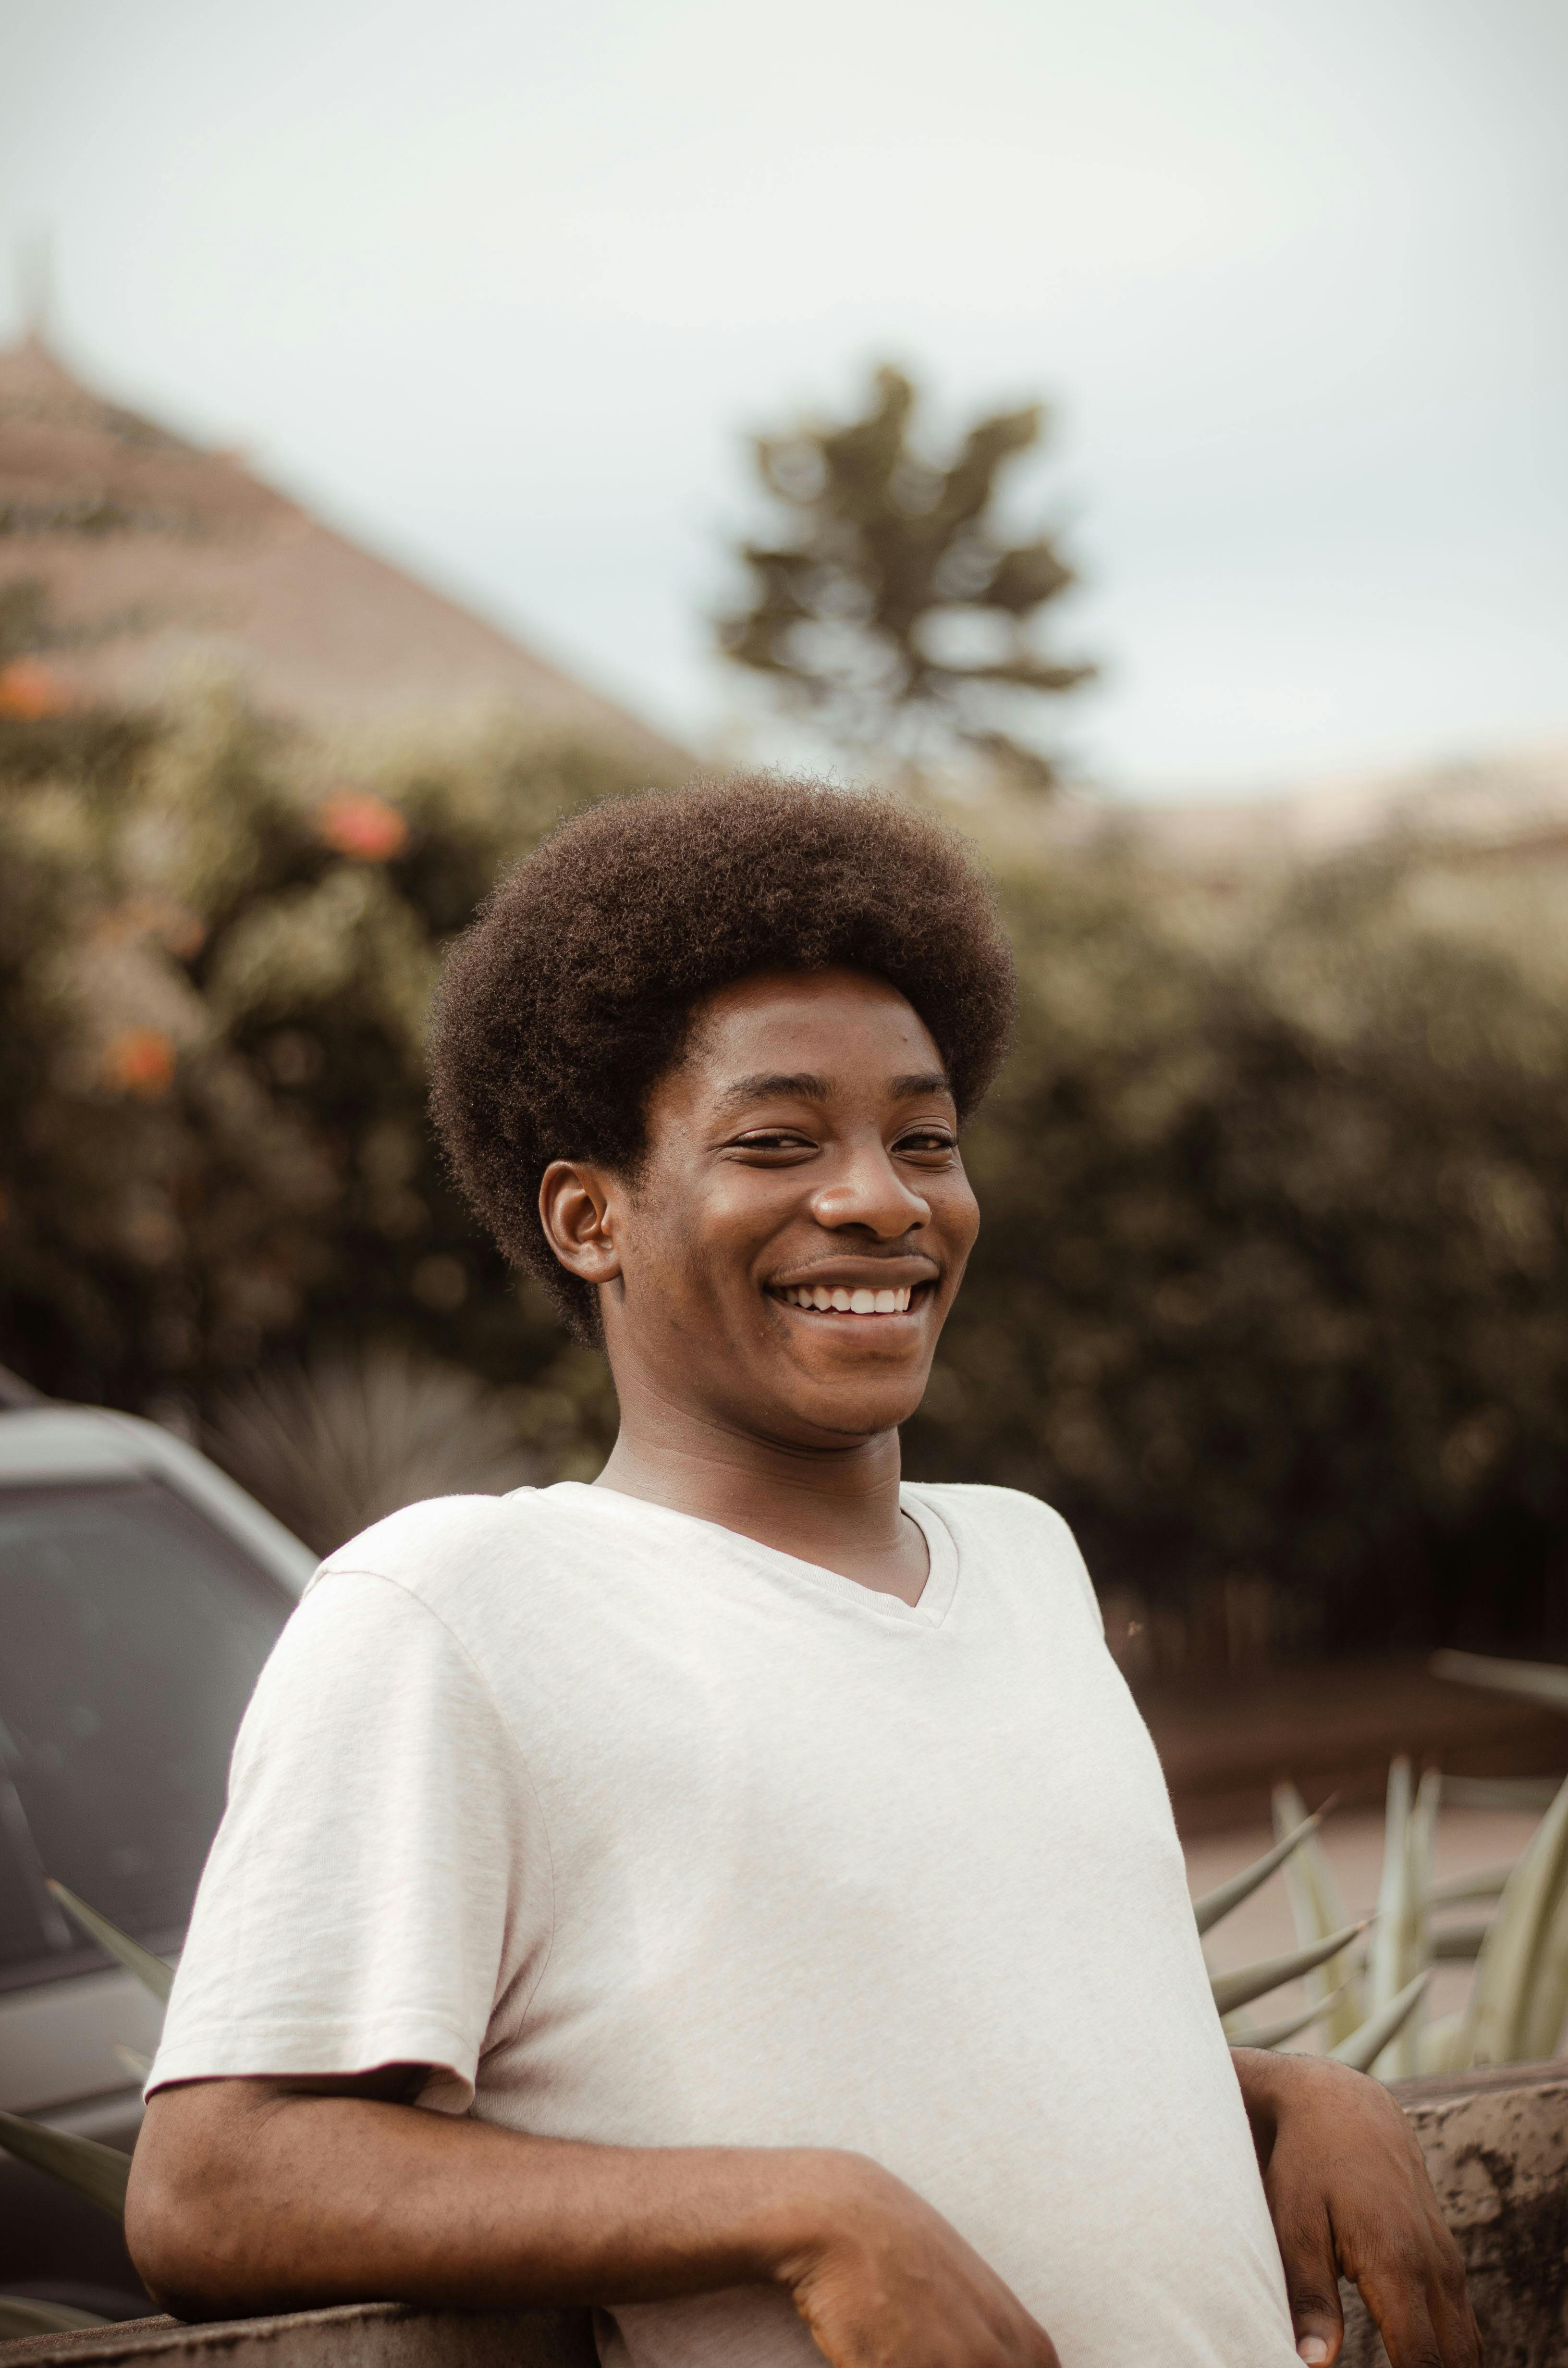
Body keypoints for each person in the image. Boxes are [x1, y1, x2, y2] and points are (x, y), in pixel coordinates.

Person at [128, 778, 1477, 2368]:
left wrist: (1285, 2095)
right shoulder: (459, 1607)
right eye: (778, 1140)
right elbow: (214, 2186)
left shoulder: (1025, 1560)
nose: (882, 1198)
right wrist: (807, 2215)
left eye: (925, 1138)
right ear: (588, 1217)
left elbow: (968, 2027)